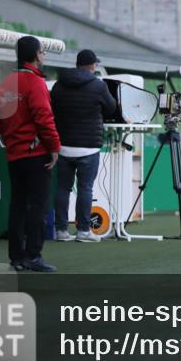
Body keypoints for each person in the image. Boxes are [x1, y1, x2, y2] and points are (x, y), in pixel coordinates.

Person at [0, 36, 61, 272]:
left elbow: (1, 119)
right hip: (36, 154)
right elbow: (44, 118)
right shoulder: (36, 82)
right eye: (42, 51)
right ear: (36, 54)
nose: (43, 55)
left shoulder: (6, 83)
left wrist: (11, 142)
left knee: (18, 206)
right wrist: (54, 147)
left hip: (15, 154)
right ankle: (33, 256)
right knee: (38, 206)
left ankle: (16, 258)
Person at [50, 49, 117, 243]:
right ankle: (83, 231)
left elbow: (52, 109)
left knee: (63, 188)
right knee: (85, 188)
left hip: (63, 146)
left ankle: (61, 231)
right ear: (92, 65)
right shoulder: (98, 85)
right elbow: (111, 108)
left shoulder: (59, 85)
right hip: (88, 147)